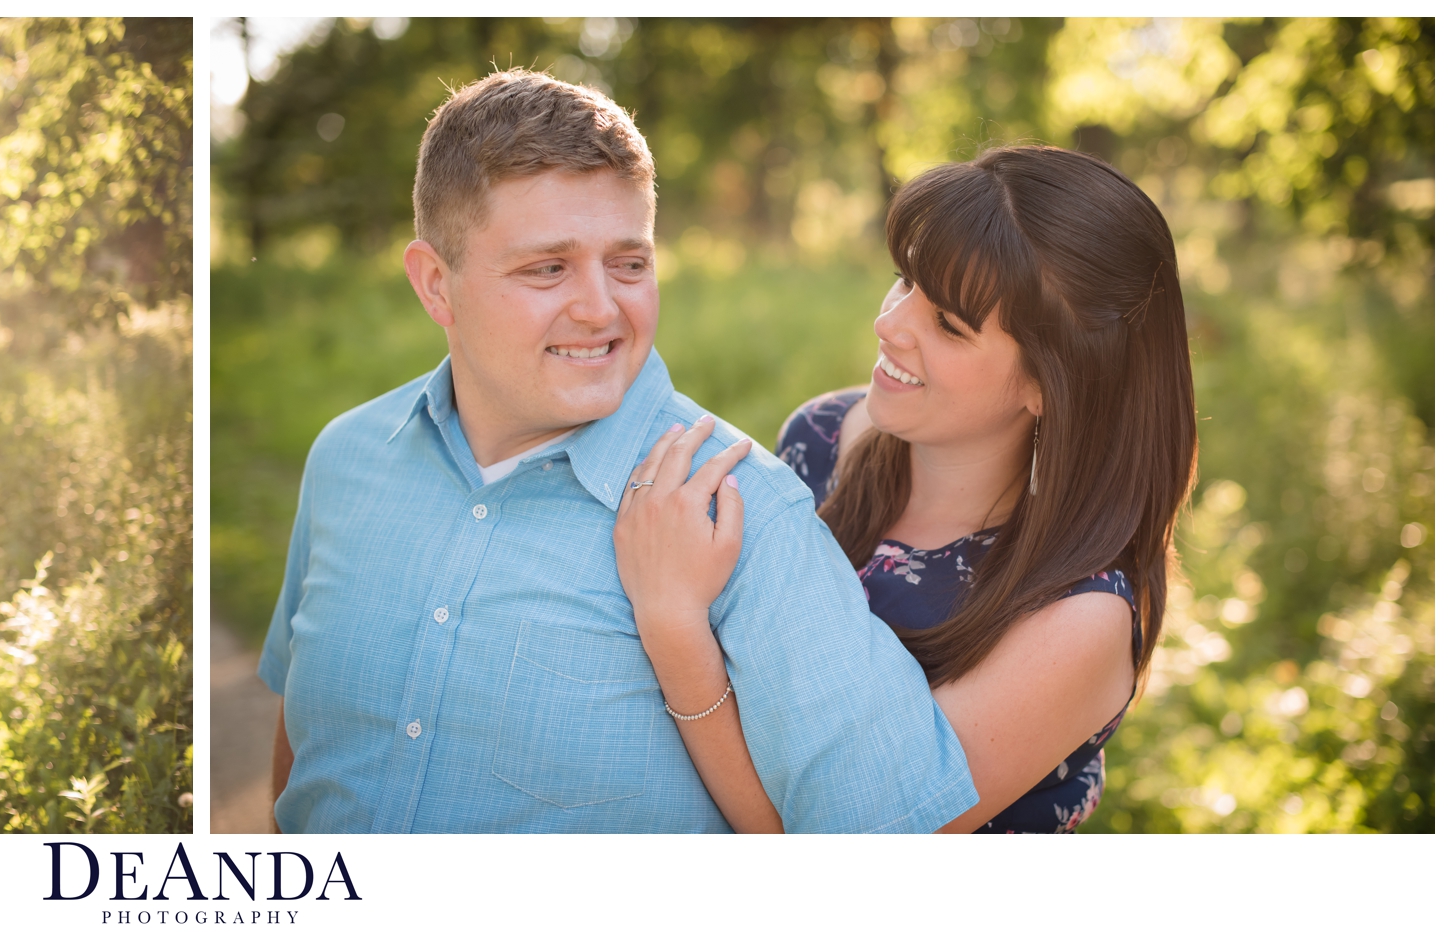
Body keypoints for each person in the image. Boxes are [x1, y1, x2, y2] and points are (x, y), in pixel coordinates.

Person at [258, 69, 978, 833]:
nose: (602, 309)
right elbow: (302, 752)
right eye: (548, 268)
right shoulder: (346, 459)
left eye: (629, 264)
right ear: (437, 284)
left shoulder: (745, 514)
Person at [612, 145, 1194, 833]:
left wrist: (674, 627)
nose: (890, 325)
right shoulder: (822, 438)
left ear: (1049, 384)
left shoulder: (1078, 621)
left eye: (948, 324)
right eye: (904, 280)